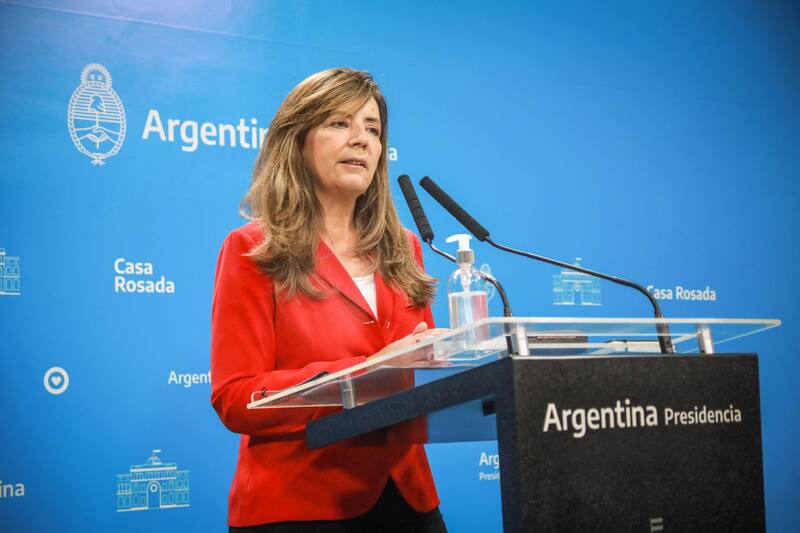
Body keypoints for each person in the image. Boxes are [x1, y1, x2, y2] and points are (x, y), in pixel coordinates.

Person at [210, 68, 448, 533]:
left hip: (409, 499)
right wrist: (366, 374)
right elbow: (237, 398)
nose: (362, 140)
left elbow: (420, 372)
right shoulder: (253, 249)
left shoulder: (405, 247)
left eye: (373, 129)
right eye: (340, 123)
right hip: (300, 503)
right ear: (297, 140)